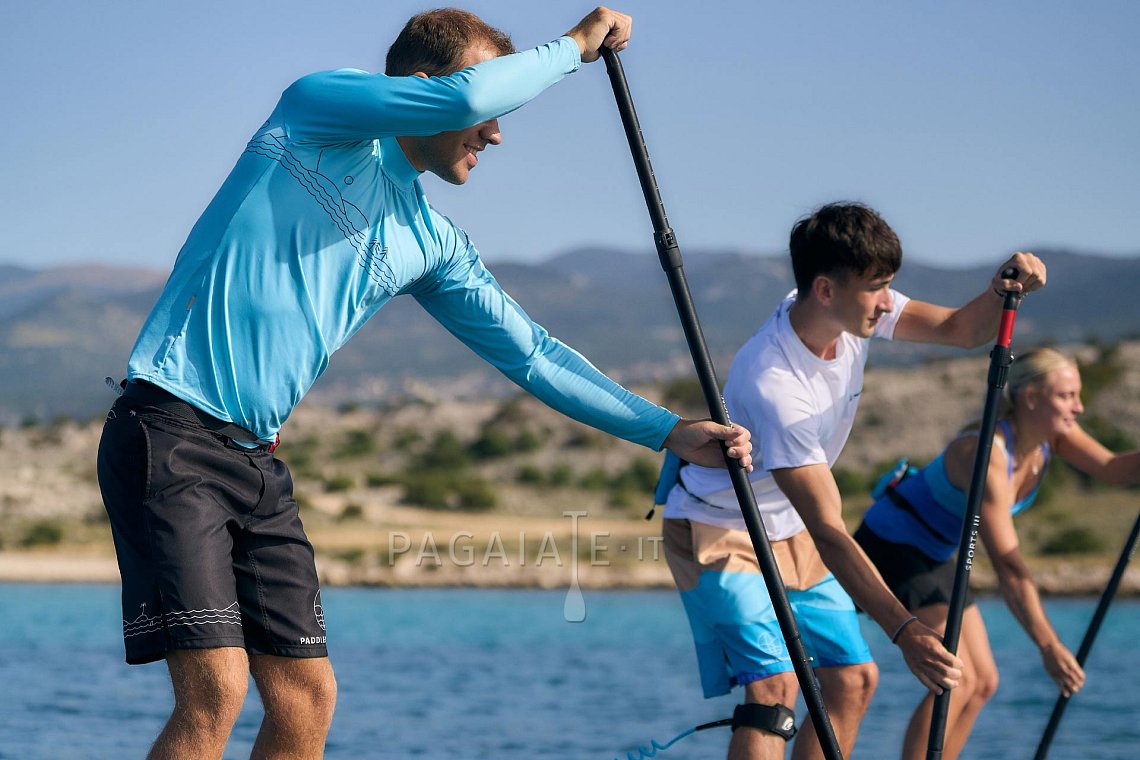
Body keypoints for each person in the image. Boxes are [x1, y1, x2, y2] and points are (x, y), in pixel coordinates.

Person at [96, 8, 754, 759]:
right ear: (419, 88)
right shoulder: (318, 111)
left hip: (257, 464)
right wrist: (572, 48)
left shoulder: (432, 243)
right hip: (170, 431)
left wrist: (664, 429)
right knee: (216, 691)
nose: (497, 132)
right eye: (492, 107)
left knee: (307, 699)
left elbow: (533, 356)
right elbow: (467, 102)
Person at [659, 202, 1047, 760]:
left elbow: (963, 331)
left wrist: (1002, 290)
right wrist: (906, 629)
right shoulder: (775, 385)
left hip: (792, 529)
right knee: (774, 690)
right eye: (878, 288)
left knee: (854, 679)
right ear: (824, 289)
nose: (889, 301)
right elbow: (831, 529)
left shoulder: (850, 310)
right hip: (719, 531)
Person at [853, 347, 1140, 759]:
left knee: (984, 681)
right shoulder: (986, 457)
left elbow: (1114, 468)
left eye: (1077, 395)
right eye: (1066, 396)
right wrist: (1048, 645)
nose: (1078, 407)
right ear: (1031, 397)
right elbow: (1009, 566)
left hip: (938, 553)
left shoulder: (1050, 436)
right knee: (956, 678)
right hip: (892, 545)